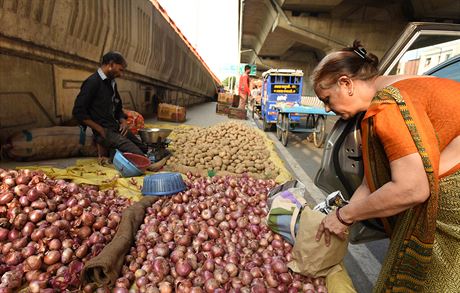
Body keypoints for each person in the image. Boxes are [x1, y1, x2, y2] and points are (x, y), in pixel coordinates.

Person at [313, 41, 460, 292]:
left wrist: (345, 215)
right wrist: (346, 216)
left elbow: (412, 189)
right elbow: (372, 181)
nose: (328, 108)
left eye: (327, 98)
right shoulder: (403, 86)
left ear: (346, 83)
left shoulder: (388, 106)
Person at [72, 51, 147, 159]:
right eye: (120, 70)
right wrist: (99, 129)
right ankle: (111, 153)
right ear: (111, 64)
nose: (121, 74)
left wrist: (122, 120)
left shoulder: (112, 83)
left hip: (115, 127)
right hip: (104, 132)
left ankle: (113, 153)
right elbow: (78, 112)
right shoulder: (92, 82)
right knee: (139, 156)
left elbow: (118, 106)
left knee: (144, 148)